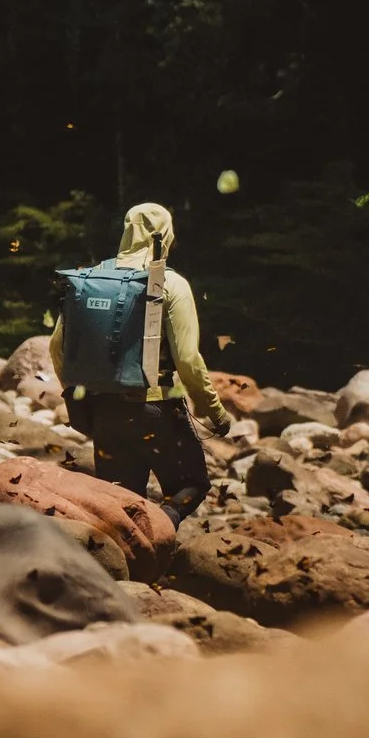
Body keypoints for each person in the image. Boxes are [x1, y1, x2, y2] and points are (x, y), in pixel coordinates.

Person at [52, 201, 234, 515]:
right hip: (157, 411)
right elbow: (188, 359)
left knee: (120, 505)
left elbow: (57, 348)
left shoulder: (92, 278)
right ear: (165, 234)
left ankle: (127, 557)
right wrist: (216, 414)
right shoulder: (170, 283)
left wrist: (79, 397)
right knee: (192, 485)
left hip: (104, 413)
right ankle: (164, 524)